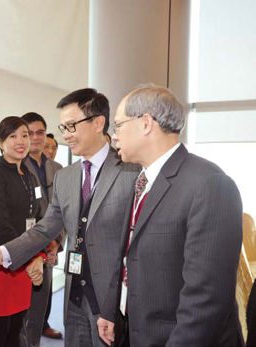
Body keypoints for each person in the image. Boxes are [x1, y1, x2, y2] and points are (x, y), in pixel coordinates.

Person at [0, 89, 139, 347]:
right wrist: (2, 254)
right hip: (74, 295)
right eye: (63, 127)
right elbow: (46, 228)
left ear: (98, 123)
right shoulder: (66, 177)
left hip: (112, 300)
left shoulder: (130, 171)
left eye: (71, 126)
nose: (65, 134)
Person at [97, 84, 244, 347]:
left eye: (118, 126)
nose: (114, 136)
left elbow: (207, 299)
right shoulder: (142, 180)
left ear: (145, 124)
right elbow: (128, 256)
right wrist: (112, 310)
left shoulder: (210, 184)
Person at [0, 116, 47, 347]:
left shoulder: (29, 176)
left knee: (17, 330)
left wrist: (39, 254)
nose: (21, 141)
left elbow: (37, 219)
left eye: (25, 135)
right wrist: (30, 257)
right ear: (0, 142)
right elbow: (1, 227)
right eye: (12, 136)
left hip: (23, 261)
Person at [20, 112, 65, 346]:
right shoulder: (15, 167)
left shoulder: (59, 169)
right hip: (23, 249)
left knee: (38, 312)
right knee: (19, 317)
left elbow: (67, 210)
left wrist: (57, 240)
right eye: (30, 133)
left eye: (40, 132)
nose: (35, 138)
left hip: (49, 249)